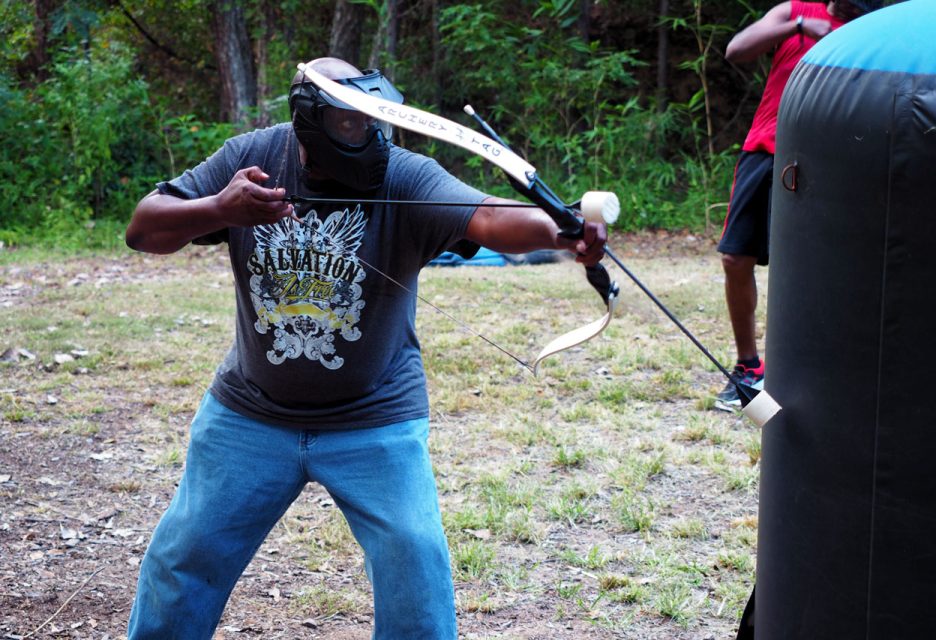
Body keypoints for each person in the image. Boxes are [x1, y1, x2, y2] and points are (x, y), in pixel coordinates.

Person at [123, 57, 607, 639]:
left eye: (376, 121)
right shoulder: (253, 158)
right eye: (351, 123)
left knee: (416, 563)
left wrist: (562, 230)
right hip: (250, 414)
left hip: (374, 418)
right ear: (310, 120)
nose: (370, 136)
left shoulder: (404, 174)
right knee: (182, 561)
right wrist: (219, 210)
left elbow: (485, 216)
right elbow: (143, 229)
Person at [716, 0, 881, 407]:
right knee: (736, 258)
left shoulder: (872, 29)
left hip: (827, 162)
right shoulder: (795, 11)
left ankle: (812, 374)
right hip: (765, 150)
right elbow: (737, 50)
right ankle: (748, 368)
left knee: (814, 271)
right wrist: (800, 27)